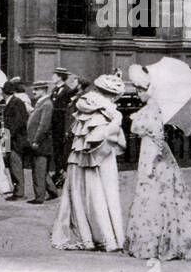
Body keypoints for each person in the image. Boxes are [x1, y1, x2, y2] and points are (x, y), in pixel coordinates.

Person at [122, 64, 191, 260]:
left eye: (141, 90)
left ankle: (161, 242)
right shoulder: (152, 107)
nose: (139, 94)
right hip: (150, 152)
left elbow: (157, 136)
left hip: (154, 156)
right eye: (138, 89)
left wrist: (150, 165)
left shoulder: (154, 108)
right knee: (156, 195)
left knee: (157, 194)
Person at [51, 71, 127, 252]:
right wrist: (116, 120)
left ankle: (89, 236)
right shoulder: (109, 113)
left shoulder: (86, 104)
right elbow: (108, 141)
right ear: (111, 95)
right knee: (102, 193)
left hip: (80, 159)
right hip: (100, 160)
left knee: (80, 193)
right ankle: (107, 236)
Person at [25, 80, 56, 204]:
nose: (33, 91)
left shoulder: (46, 104)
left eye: (36, 89)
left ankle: (39, 197)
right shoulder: (41, 103)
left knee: (39, 169)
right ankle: (52, 191)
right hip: (38, 141)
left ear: (44, 90)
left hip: (41, 142)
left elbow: (44, 125)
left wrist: (36, 140)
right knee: (41, 169)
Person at [3, 79, 33, 202]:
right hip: (13, 138)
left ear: (3, 92)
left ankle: (19, 192)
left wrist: (7, 137)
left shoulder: (16, 102)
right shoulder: (14, 101)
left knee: (15, 165)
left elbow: (18, 122)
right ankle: (17, 190)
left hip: (16, 139)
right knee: (13, 165)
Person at [50, 68, 74, 180]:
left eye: (54, 75)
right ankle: (57, 172)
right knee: (56, 149)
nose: (52, 77)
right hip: (55, 125)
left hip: (62, 125)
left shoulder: (67, 91)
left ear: (60, 77)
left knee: (61, 150)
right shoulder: (55, 90)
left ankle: (61, 173)